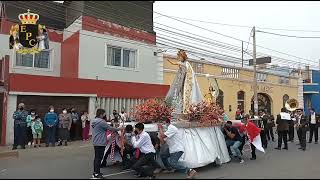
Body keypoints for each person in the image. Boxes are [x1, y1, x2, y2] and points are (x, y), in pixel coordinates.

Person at [165, 50, 203, 115]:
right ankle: (181, 108)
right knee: (180, 94)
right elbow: (180, 70)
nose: (179, 58)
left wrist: (171, 62)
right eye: (178, 57)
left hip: (187, 82)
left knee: (186, 96)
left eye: (180, 57)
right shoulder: (182, 63)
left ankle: (187, 108)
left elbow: (189, 72)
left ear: (183, 57)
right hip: (182, 81)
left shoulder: (187, 64)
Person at [91, 109, 122, 179]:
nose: (105, 115)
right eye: (104, 114)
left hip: (95, 141)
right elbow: (110, 128)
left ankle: (95, 172)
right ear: (101, 114)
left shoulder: (94, 121)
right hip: (100, 142)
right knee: (99, 158)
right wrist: (120, 128)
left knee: (96, 158)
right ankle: (97, 174)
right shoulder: (101, 122)